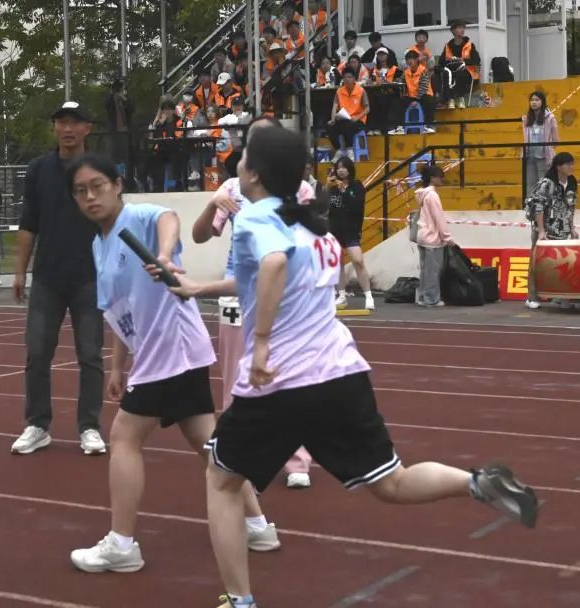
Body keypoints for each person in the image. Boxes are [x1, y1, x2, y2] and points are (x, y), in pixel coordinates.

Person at [170, 126, 537, 608]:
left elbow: (274, 265)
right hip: (340, 374)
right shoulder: (313, 224)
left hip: (281, 381)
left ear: (253, 173)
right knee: (392, 481)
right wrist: (199, 289)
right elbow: (265, 277)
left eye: (243, 159)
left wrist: (259, 344)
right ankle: (476, 482)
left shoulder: (258, 216)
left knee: (221, 479)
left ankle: (240, 602)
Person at [66, 155, 279, 574]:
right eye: (80, 191)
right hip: (161, 352)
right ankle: (256, 525)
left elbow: (168, 218)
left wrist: (164, 254)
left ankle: (122, 544)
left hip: (173, 349)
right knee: (208, 443)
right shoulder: (98, 245)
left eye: (98, 186)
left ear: (118, 185)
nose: (90, 196)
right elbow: (119, 310)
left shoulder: (138, 217)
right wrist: (117, 366)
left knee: (124, 436)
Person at [191, 115, 317, 490]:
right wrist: (211, 204)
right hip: (238, 288)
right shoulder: (233, 186)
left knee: (288, 372)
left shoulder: (299, 188)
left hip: (285, 288)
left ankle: (297, 459)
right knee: (236, 376)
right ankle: (239, 457)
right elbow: (200, 236)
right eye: (251, 138)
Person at [11, 101, 107, 456]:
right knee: (37, 353)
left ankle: (90, 427)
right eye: (61, 122)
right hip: (47, 277)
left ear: (87, 128)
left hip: (90, 277)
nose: (68, 129)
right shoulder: (38, 169)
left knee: (90, 355)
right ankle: (37, 424)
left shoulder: (99, 169)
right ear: (54, 127)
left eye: (74, 123)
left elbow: (113, 220)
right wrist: (20, 270)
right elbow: (28, 223)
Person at [524, 152, 578, 310]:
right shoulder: (547, 183)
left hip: (562, 231)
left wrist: (572, 228)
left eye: (572, 164)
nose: (571, 167)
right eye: (568, 164)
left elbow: (571, 206)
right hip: (545, 229)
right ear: (558, 167)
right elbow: (539, 207)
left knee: (561, 264)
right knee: (536, 263)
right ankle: (532, 296)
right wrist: (541, 231)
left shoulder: (572, 182)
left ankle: (559, 296)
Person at [326, 156, 374, 311]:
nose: (341, 170)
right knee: (338, 263)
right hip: (334, 230)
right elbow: (322, 207)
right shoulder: (332, 187)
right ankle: (341, 295)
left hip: (351, 230)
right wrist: (326, 188)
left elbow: (356, 206)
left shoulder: (357, 186)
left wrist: (343, 190)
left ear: (350, 169)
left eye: (344, 167)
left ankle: (368, 295)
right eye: (338, 167)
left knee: (358, 260)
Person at [414, 164, 456, 307]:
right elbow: (439, 219)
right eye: (440, 177)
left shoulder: (422, 195)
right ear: (433, 178)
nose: (442, 179)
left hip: (422, 236)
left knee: (425, 271)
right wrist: (447, 238)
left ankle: (422, 297)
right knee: (432, 271)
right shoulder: (432, 196)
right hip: (432, 239)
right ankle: (431, 299)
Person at [326, 67, 369, 161]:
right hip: (343, 118)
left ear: (354, 78)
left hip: (357, 120)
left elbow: (367, 109)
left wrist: (357, 117)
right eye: (345, 77)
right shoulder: (339, 91)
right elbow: (334, 106)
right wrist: (333, 119)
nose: (347, 79)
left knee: (348, 125)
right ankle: (338, 151)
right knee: (329, 126)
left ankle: (350, 151)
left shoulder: (361, 91)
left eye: (349, 77)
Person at [389, 50, 436, 135]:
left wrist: (416, 100)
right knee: (397, 102)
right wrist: (395, 81)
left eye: (412, 58)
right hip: (411, 96)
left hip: (424, 95)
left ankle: (429, 125)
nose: (409, 61)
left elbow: (423, 87)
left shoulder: (424, 70)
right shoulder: (406, 72)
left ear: (417, 59)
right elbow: (401, 81)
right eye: (408, 59)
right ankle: (398, 127)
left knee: (429, 101)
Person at [522, 91, 559, 191]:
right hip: (529, 155)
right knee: (530, 184)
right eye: (532, 100)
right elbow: (525, 137)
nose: (534, 102)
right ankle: (531, 201)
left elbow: (555, 140)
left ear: (542, 102)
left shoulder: (550, 118)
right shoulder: (526, 118)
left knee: (543, 184)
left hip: (543, 155)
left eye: (537, 100)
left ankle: (543, 201)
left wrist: (548, 148)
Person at [439, 20, 480, 109]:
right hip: (452, 70)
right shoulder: (448, 45)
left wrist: (463, 60)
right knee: (441, 74)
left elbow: (477, 60)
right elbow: (441, 61)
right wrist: (450, 62)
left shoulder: (470, 45)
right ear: (453, 31)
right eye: (459, 28)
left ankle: (457, 98)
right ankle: (446, 100)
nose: (462, 30)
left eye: (463, 28)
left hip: (468, 72)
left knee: (458, 75)